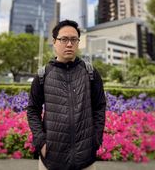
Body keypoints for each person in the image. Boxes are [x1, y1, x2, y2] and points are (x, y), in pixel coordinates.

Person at [27, 20, 106, 170]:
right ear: (54, 42)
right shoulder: (43, 75)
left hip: (85, 160)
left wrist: (96, 139)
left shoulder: (90, 73)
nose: (69, 44)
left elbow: (100, 106)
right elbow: (32, 110)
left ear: (78, 42)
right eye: (64, 39)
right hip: (51, 159)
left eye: (74, 39)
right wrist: (40, 142)